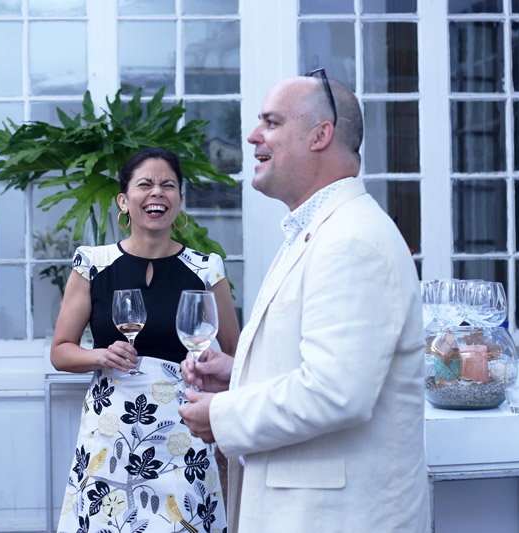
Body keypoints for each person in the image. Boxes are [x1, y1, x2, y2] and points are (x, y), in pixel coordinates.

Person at [179, 73, 430, 532]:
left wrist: (221, 415)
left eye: (272, 122)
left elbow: (336, 392)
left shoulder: (352, 239)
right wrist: (239, 375)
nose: (253, 136)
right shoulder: (322, 230)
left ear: (321, 135)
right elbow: (323, 367)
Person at [52, 147, 241, 533]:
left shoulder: (206, 269)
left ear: (180, 200)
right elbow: (60, 351)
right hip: (111, 431)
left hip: (184, 431)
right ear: (124, 201)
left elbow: (238, 354)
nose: (157, 192)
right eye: (145, 184)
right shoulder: (93, 265)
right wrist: (100, 356)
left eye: (168, 185)